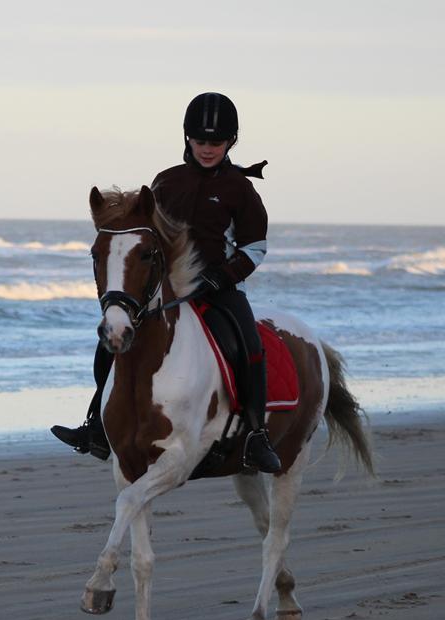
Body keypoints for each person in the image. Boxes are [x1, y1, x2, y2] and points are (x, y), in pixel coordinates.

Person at [51, 91, 282, 474]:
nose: (207, 149)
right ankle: (96, 424)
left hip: (220, 290)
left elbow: (255, 248)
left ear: (231, 142)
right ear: (187, 139)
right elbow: (148, 237)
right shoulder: (165, 182)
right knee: (109, 341)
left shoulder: (241, 189)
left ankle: (256, 433)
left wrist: (221, 277)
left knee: (250, 346)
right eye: (200, 141)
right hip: (167, 290)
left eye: (216, 142)